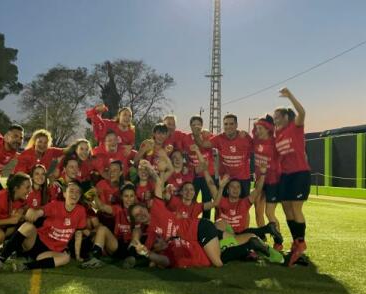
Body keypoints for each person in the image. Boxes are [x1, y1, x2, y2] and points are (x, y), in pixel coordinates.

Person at [128, 160, 270, 268]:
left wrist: (150, 168)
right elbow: (146, 248)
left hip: (200, 229)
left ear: (146, 209)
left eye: (141, 210)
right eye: (137, 215)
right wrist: (141, 252)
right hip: (196, 239)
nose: (141, 214)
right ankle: (256, 238)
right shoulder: (152, 232)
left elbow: (159, 182)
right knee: (229, 243)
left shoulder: (158, 209)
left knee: (218, 262)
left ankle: (251, 244)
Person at [0, 180, 87, 273]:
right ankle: (0, 261)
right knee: (27, 226)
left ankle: (25, 266)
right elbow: (41, 212)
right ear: (65, 194)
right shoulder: (55, 205)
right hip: (36, 242)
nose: (74, 194)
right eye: (72, 191)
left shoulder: (81, 211)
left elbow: (78, 234)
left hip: (50, 252)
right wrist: (34, 213)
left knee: (65, 258)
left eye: (78, 192)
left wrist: (78, 256)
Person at [273, 87, 311, 267]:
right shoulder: (277, 135)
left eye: (278, 117)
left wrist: (290, 97)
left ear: (286, 118)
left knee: (296, 208)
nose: (276, 121)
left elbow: (302, 112)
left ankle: (301, 242)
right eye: (274, 119)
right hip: (286, 176)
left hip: (299, 174)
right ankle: (296, 242)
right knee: (286, 208)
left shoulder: (295, 127)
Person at [81, 183, 141, 269]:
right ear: (121, 197)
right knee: (102, 229)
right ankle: (95, 258)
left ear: (135, 197)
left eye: (131, 196)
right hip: (116, 246)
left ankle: (132, 257)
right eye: (126, 196)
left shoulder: (139, 210)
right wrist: (94, 195)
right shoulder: (118, 209)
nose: (129, 199)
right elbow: (101, 207)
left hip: (132, 246)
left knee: (137, 230)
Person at [194, 114, 253, 198]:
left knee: (243, 207)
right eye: (225, 124)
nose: (228, 126)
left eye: (231, 124)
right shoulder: (219, 138)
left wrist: (248, 135)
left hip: (243, 178)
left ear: (236, 125)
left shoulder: (244, 138)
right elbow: (203, 144)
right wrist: (197, 133)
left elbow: (256, 146)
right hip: (225, 178)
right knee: (221, 207)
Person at [252, 115, 284, 251]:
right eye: (257, 128)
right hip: (260, 181)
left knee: (269, 213)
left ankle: (278, 241)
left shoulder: (276, 143)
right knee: (258, 212)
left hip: (273, 182)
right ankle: (262, 240)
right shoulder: (255, 141)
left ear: (268, 129)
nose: (257, 130)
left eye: (260, 128)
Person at [183, 116, 216, 220]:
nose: (196, 127)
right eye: (194, 125)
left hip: (208, 175)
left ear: (202, 126)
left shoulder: (208, 136)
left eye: (198, 125)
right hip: (194, 176)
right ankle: (190, 223)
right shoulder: (186, 139)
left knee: (207, 202)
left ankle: (206, 225)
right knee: (191, 200)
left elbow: (214, 148)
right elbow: (183, 155)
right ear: (190, 126)